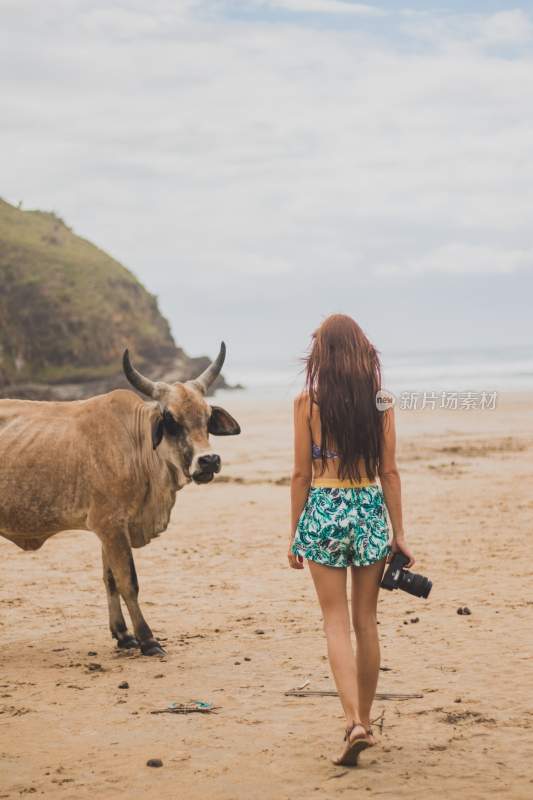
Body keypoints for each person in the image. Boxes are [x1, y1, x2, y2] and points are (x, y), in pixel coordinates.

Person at [288, 314, 415, 767]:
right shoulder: (380, 402)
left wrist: (294, 533)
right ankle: (365, 716)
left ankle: (353, 724)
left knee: (335, 622)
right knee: (366, 622)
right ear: (364, 352)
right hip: (368, 510)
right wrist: (398, 534)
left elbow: (302, 473)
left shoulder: (306, 403)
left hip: (324, 507)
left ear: (320, 354)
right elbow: (390, 472)